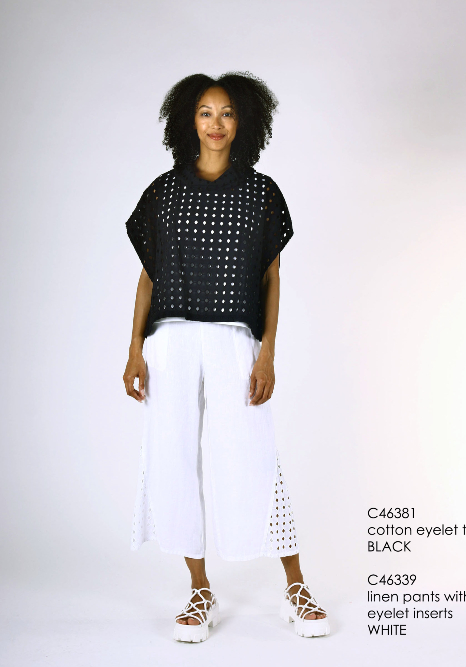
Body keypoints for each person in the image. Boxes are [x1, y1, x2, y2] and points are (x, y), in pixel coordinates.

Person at [123, 72, 330, 642]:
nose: (216, 124)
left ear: (244, 123)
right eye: (206, 113)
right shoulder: (164, 193)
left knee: (256, 457)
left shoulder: (262, 193)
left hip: (234, 338)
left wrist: (267, 353)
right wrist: (134, 349)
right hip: (170, 340)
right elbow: (148, 278)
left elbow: (271, 277)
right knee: (172, 458)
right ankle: (199, 589)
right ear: (188, 121)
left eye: (228, 113)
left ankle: (296, 586)